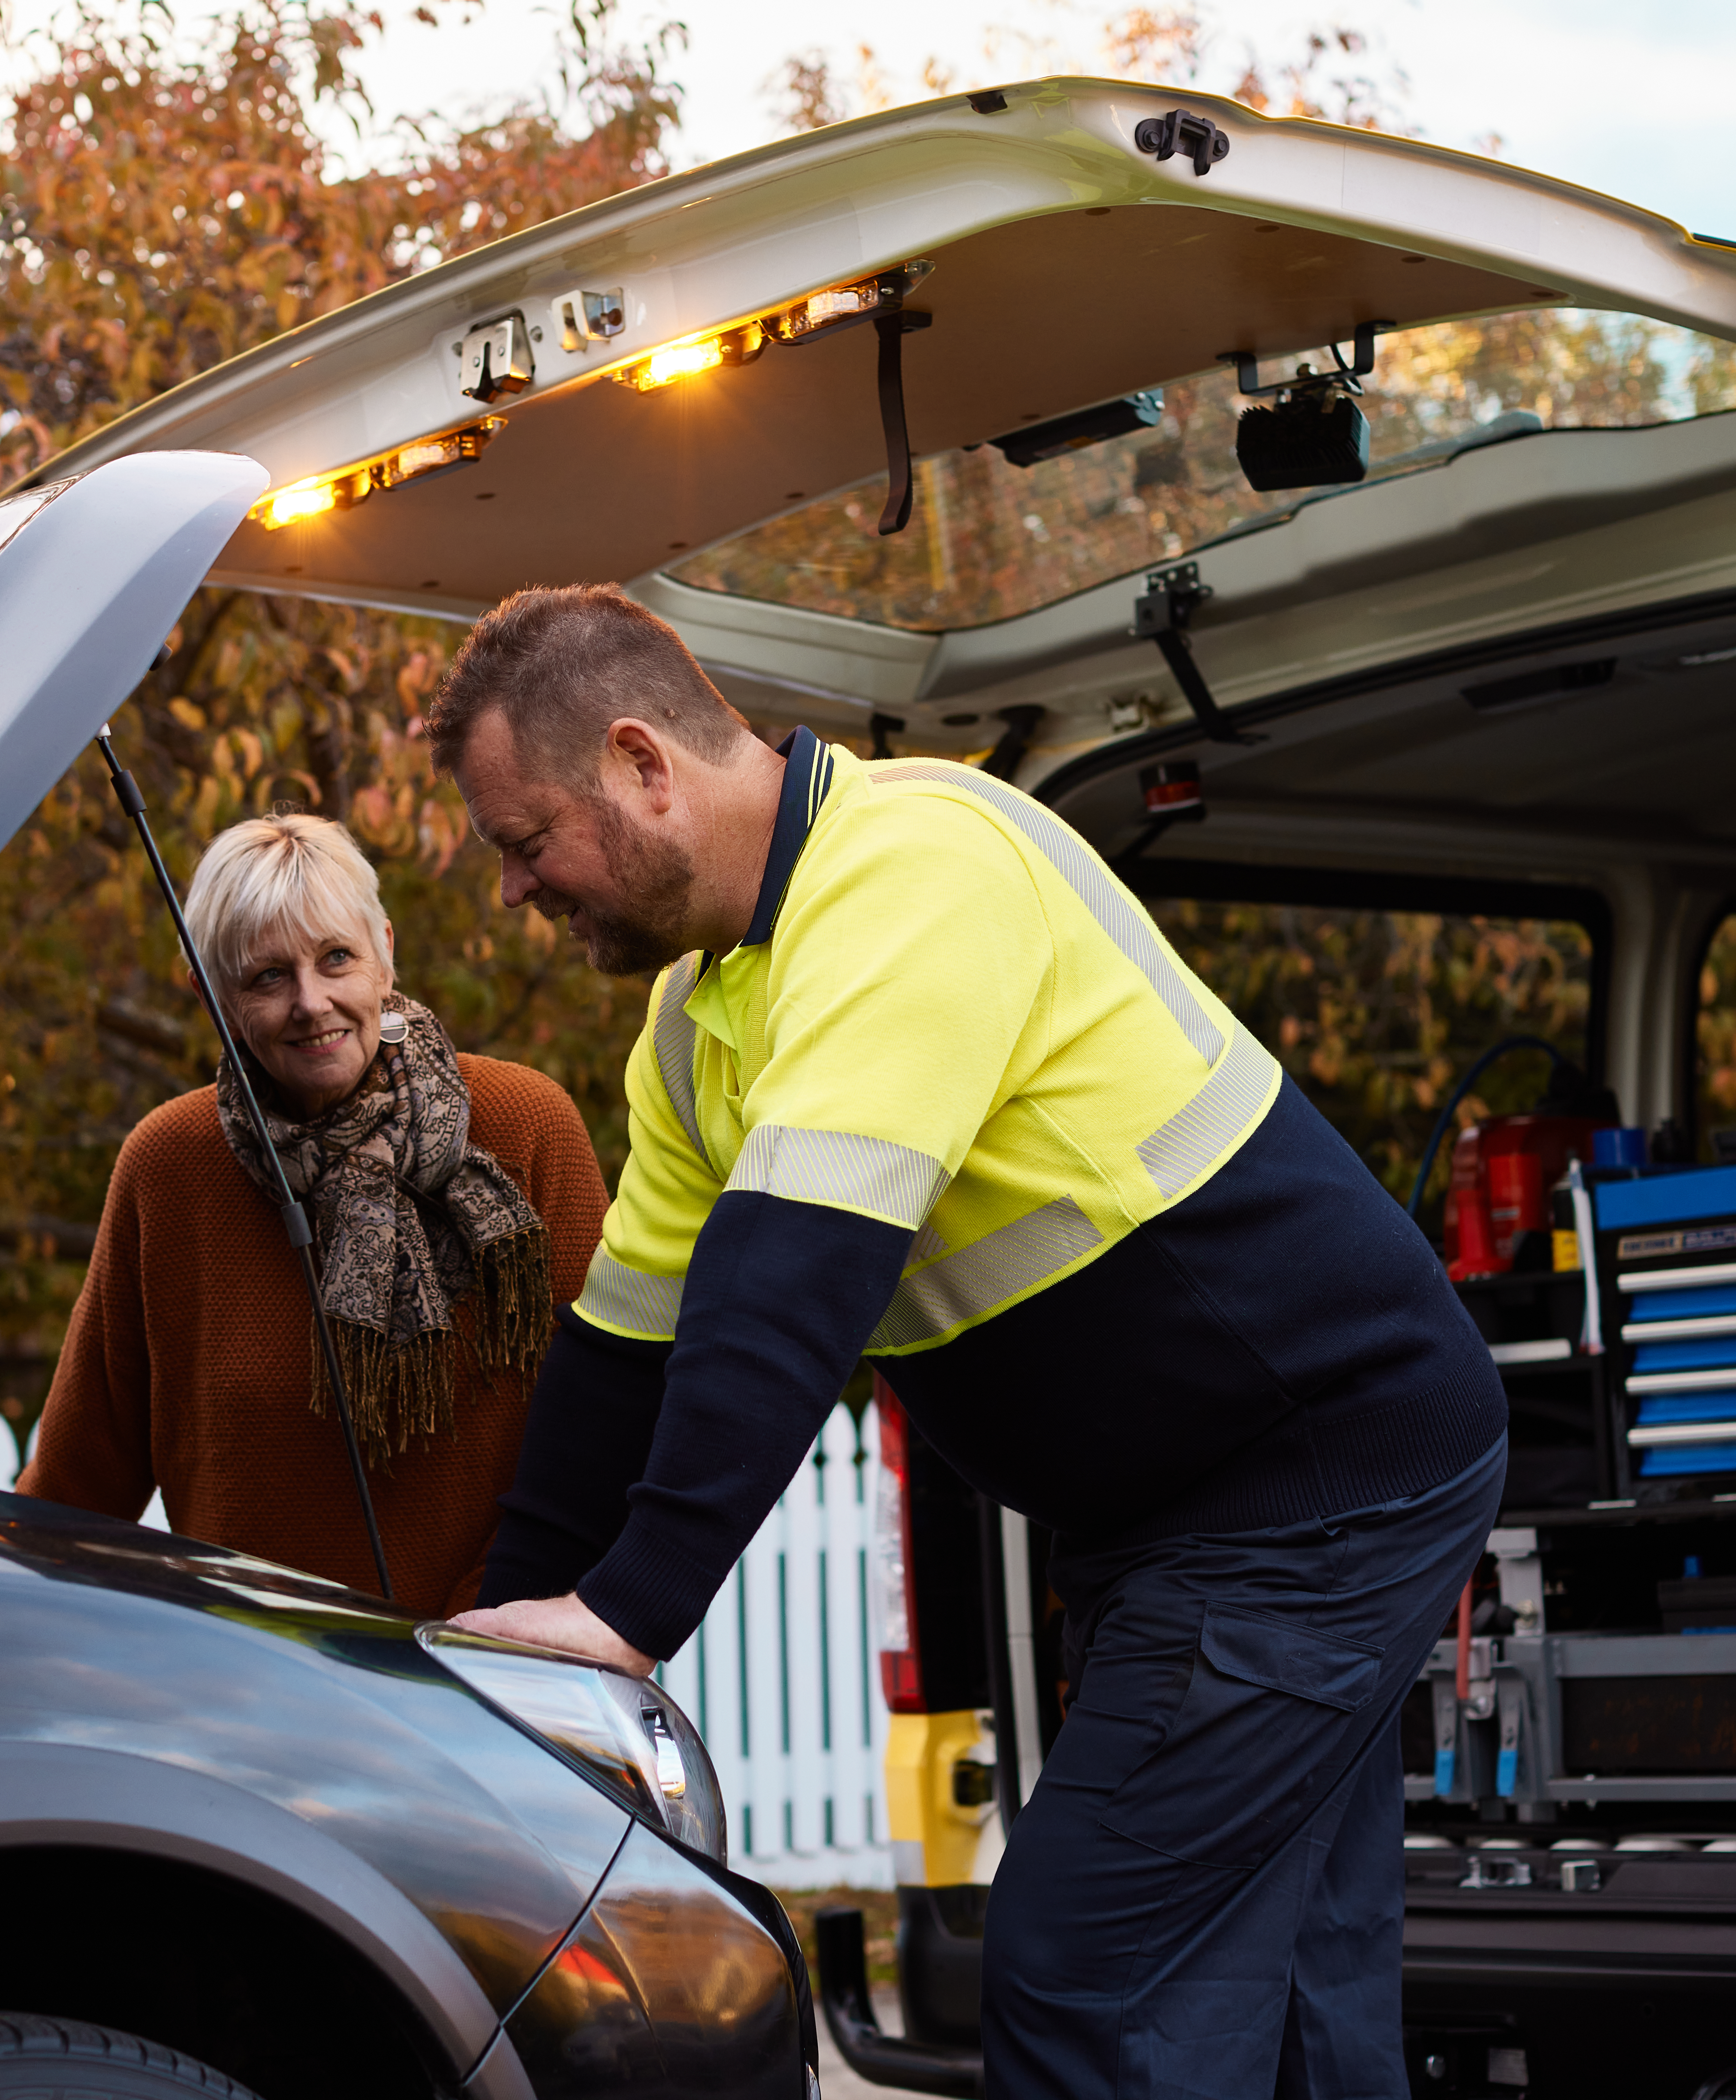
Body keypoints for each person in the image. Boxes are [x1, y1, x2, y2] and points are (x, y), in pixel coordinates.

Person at [434, 586, 1506, 2100]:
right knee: (1284, 2010)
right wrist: (518, 1633)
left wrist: (626, 1615)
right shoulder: (694, 1021)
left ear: (638, 763)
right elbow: (626, 1350)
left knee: (1090, 1972)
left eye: (520, 837)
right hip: (1179, 1519)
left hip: (1315, 1485)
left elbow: (782, 1282)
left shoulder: (911, 873)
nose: (515, 886)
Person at [19, 811, 606, 1619]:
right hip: (259, 1698)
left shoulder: (527, 1125)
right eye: (266, 976)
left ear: (385, 951)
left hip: (502, 1667)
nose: (311, 1001)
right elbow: (77, 1488)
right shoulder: (167, 1167)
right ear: (209, 994)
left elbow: (600, 1428)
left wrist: (484, 1630)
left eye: (337, 957)